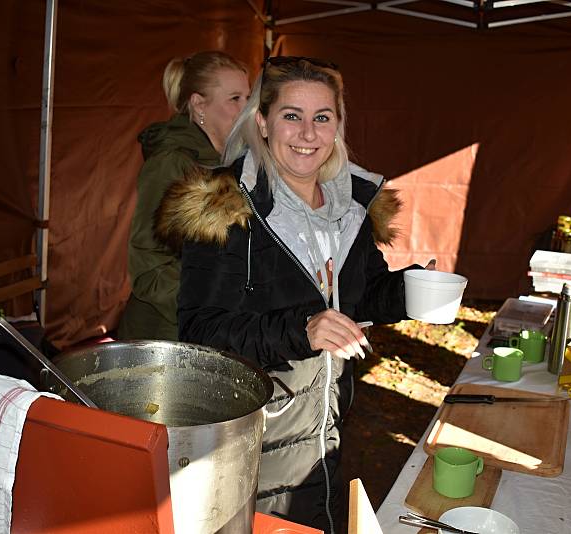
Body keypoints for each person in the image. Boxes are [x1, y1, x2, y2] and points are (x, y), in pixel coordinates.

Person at [154, 56, 425, 533]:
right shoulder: (227, 209)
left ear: (338, 125)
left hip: (324, 421)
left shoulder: (349, 206)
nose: (307, 133)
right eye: (291, 116)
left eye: (322, 117)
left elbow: (362, 295)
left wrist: (414, 291)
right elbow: (200, 330)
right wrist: (303, 329)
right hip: (252, 434)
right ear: (262, 121)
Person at [117, 51, 250, 340]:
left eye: (248, 98)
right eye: (235, 99)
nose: (248, 109)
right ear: (199, 105)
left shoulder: (233, 162)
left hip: (212, 330)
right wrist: (209, 308)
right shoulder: (171, 163)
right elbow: (149, 268)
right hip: (165, 337)